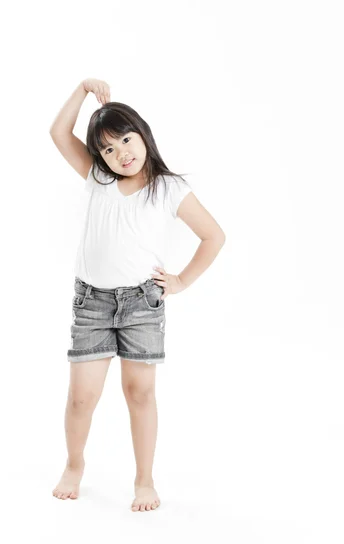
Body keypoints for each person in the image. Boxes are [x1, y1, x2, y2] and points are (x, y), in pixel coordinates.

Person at [49, 78, 226, 511]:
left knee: (140, 392)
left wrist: (181, 280)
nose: (120, 153)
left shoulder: (168, 188)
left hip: (141, 305)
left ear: (143, 134)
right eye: (108, 149)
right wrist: (83, 90)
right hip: (92, 302)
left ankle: (144, 480)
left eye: (126, 140)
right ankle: (74, 464)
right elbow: (58, 133)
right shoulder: (98, 177)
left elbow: (214, 236)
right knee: (81, 396)